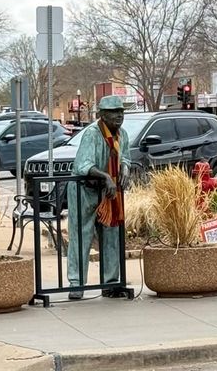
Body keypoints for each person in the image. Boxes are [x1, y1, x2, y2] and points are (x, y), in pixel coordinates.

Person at [66, 95, 130, 300]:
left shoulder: (122, 134)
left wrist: (125, 167)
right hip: (85, 191)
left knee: (112, 235)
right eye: (114, 112)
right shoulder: (92, 134)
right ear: (102, 115)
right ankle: (76, 283)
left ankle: (110, 283)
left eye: (121, 111)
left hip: (108, 193)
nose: (119, 115)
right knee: (81, 236)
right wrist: (105, 177)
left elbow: (125, 157)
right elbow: (83, 165)